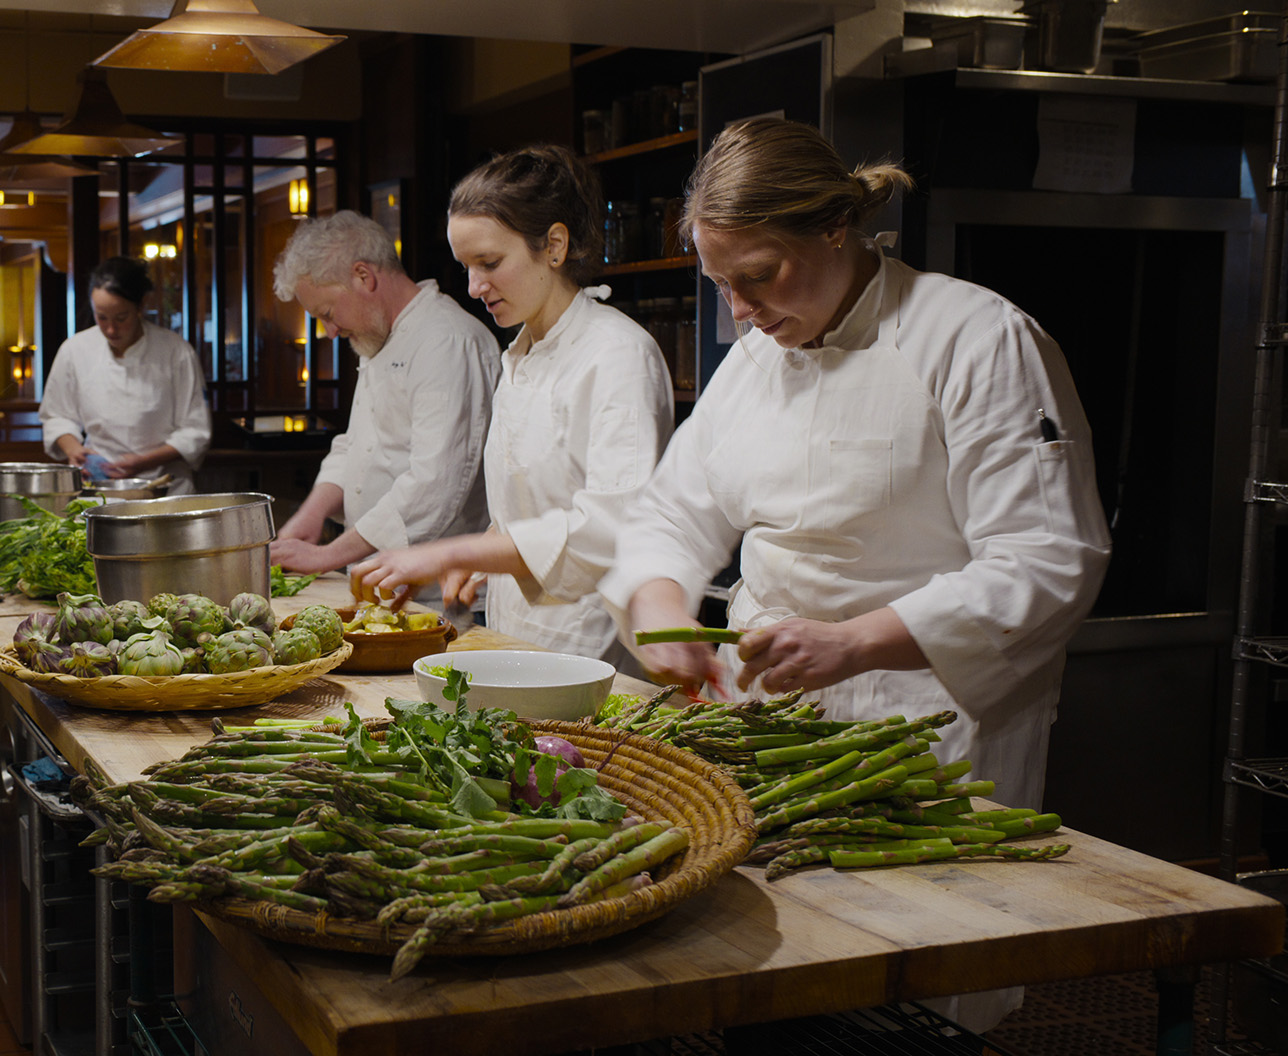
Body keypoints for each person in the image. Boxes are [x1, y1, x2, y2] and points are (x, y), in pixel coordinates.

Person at [597, 118, 1111, 1028]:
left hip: (923, 732)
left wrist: (858, 641)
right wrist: (659, 604)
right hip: (772, 730)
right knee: (781, 982)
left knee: (913, 995)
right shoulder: (756, 358)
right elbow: (673, 510)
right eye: (720, 285)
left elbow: (1048, 558)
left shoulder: (977, 337)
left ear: (835, 229)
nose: (738, 313)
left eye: (757, 276)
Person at [351, 145, 674, 661]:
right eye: (467, 267)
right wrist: (485, 552)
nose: (476, 286)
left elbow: (610, 526)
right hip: (519, 633)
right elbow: (536, 500)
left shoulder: (617, 354)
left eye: (491, 263)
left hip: (594, 646)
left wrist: (452, 550)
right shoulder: (519, 355)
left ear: (554, 245)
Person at [267, 212, 500, 595]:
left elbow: (433, 483)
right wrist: (312, 514)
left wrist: (329, 555)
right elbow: (359, 443)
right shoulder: (380, 337)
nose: (331, 331)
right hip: (382, 581)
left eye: (327, 314)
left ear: (363, 276)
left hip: (442, 594)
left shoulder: (446, 341)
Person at [39, 257, 212, 495]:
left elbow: (195, 430)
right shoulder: (75, 350)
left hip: (164, 486)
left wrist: (141, 462)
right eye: (102, 317)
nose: (111, 329)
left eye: (121, 318)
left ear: (140, 306)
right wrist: (73, 450)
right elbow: (56, 415)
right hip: (99, 486)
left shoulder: (175, 351)